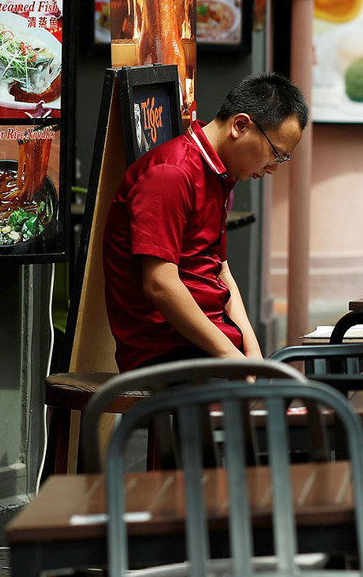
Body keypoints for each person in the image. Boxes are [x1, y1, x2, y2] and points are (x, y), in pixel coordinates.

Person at [103, 73, 308, 371]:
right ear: (240, 125)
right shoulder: (170, 173)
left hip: (206, 346)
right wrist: (230, 357)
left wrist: (252, 354)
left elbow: (219, 269)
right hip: (170, 352)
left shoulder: (218, 174)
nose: (273, 169)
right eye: (275, 154)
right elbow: (160, 283)